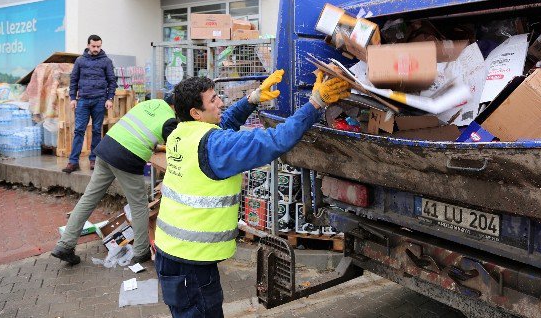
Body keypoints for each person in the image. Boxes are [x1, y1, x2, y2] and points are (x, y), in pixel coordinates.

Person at [154, 69, 350, 318]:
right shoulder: (215, 146)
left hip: (172, 253)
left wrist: (252, 100)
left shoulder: (180, 134)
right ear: (196, 113)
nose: (221, 102)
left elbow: (223, 125)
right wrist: (315, 104)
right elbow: (275, 140)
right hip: (190, 262)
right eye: (213, 100)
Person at [51, 94, 178, 266]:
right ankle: (141, 252)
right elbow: (176, 148)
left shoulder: (149, 104)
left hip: (106, 149)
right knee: (139, 205)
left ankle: (65, 245)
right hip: (127, 157)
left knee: (89, 198)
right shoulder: (170, 120)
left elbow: (140, 131)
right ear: (176, 108)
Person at [63, 34, 118, 173]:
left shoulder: (106, 61)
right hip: (83, 100)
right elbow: (74, 80)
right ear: (88, 45)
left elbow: (112, 81)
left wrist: (109, 98)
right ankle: (73, 161)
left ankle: (94, 160)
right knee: (79, 130)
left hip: (99, 100)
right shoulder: (80, 61)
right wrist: (73, 98)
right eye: (93, 46)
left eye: (98, 46)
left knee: (96, 130)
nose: (96, 49)